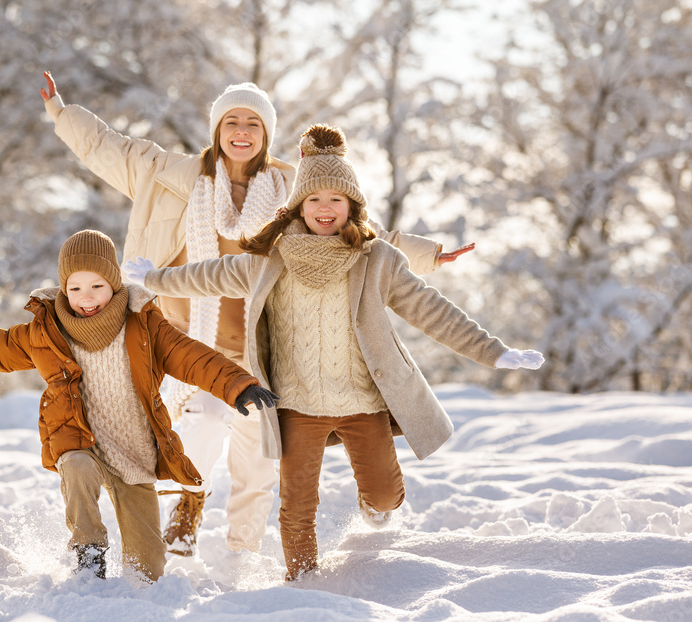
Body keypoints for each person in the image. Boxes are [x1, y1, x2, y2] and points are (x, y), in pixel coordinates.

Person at [40, 72, 473, 556]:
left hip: (263, 349)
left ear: (266, 133)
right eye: (232, 122)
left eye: (253, 123)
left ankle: (241, 555)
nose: (241, 131)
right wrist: (61, 110)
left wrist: (428, 253)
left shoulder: (292, 188)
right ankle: (190, 504)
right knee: (201, 425)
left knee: (258, 460)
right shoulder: (168, 176)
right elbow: (108, 147)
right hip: (192, 343)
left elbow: (358, 229)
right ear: (217, 130)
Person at [123, 124, 544, 580]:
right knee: (296, 506)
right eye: (315, 199)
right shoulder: (272, 258)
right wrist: (155, 279)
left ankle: (374, 505)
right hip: (298, 405)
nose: (325, 209)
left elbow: (433, 311)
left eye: (336, 200)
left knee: (384, 496)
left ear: (352, 206)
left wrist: (494, 352)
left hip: (361, 402)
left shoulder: (377, 259)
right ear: (299, 205)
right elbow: (211, 275)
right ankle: (301, 584)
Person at [0, 230, 276, 582]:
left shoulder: (144, 324)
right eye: (75, 288)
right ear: (64, 289)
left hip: (135, 453)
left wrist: (238, 385)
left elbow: (191, 357)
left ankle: (142, 576)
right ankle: (89, 551)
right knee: (77, 465)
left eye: (97, 286)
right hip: (79, 441)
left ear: (114, 284)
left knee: (147, 573)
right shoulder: (47, 329)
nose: (86, 297)